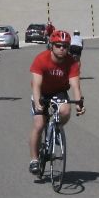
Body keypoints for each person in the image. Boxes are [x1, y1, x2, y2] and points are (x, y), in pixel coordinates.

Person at [28, 30, 85, 175]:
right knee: (39, 124)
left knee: (65, 111)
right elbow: (36, 85)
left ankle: (55, 129)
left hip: (59, 91)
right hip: (41, 92)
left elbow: (75, 85)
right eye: (58, 45)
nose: (62, 49)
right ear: (51, 46)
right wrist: (37, 102)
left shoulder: (71, 62)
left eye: (65, 46)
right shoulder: (41, 59)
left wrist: (79, 103)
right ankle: (34, 160)